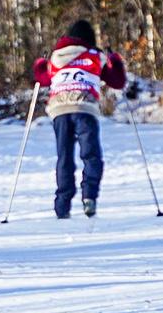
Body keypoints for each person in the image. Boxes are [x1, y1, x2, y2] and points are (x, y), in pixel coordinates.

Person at [30, 20, 127, 219]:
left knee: (64, 156)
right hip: (85, 107)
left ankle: (62, 205)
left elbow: (41, 78)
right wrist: (115, 60)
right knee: (91, 154)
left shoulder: (56, 57)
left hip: (59, 109)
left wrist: (40, 63)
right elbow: (117, 81)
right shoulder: (94, 56)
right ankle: (89, 196)